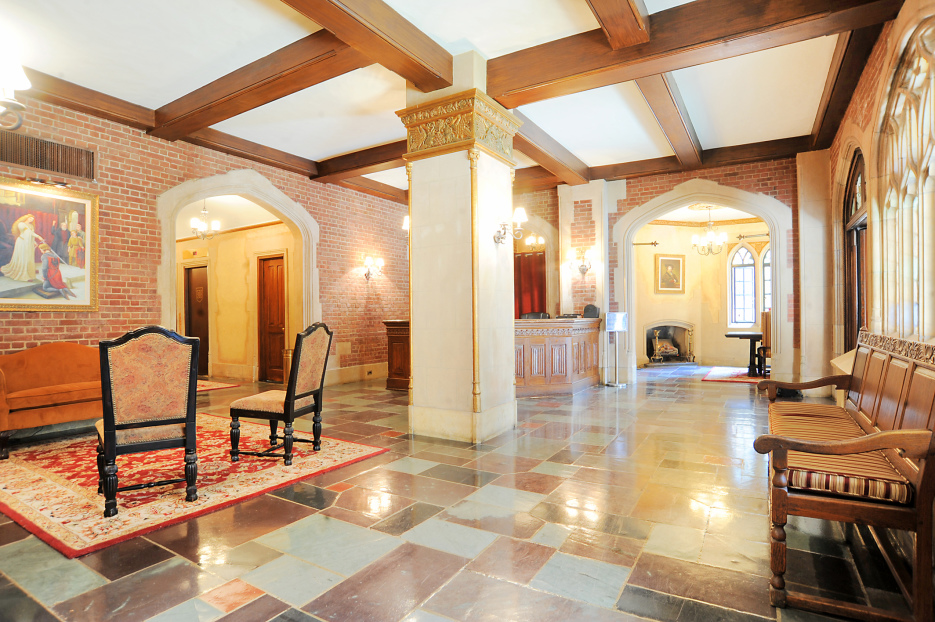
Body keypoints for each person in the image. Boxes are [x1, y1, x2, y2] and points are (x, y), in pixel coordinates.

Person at [1, 214, 44, 282]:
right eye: (30, 218)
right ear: (26, 218)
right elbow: (28, 233)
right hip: (22, 242)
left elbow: (30, 235)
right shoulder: (21, 224)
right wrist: (38, 236)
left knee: (28, 258)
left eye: (32, 219)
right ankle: (24, 275)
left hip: (28, 243)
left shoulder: (31, 226)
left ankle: (29, 273)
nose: (31, 220)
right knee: (23, 257)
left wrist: (34, 241)